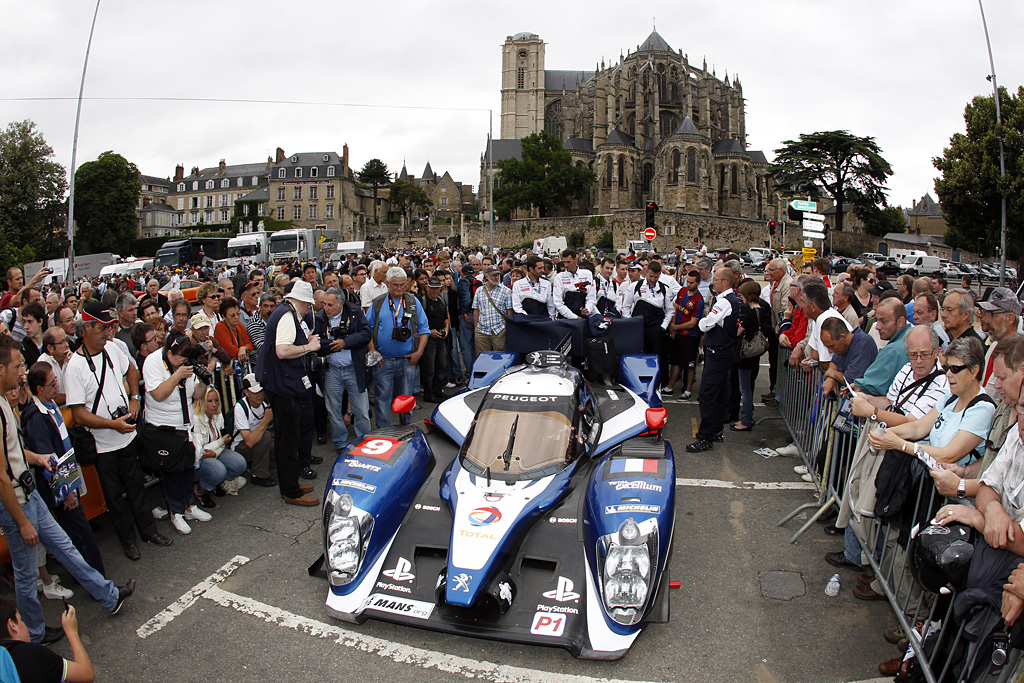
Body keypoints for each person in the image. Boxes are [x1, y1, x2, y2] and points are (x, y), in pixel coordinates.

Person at [0, 338, 135, 646]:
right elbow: (1, 477)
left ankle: (109, 596)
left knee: (67, 548)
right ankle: (33, 634)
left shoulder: (8, 404)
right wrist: (21, 520)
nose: (22, 372)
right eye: (17, 365)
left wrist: (35, 458)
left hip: (30, 495)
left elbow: (14, 452)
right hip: (17, 504)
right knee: (25, 573)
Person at [66, 302, 172, 561]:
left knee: (137, 486)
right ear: (87, 329)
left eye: (110, 327)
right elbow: (78, 414)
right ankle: (128, 541)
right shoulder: (75, 367)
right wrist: (112, 424)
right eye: (102, 328)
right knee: (114, 497)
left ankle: (148, 531)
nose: (108, 333)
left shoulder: (112, 349)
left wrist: (135, 397)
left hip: (127, 435)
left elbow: (132, 370)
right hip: (102, 444)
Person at [254, 281, 319, 507]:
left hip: (281, 385)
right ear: (302, 302)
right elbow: (283, 351)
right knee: (288, 440)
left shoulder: (284, 312)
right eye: (307, 305)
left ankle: (290, 484)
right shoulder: (287, 315)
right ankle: (291, 490)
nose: (307, 309)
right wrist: (309, 347)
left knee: (285, 439)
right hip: (285, 387)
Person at [142, 333, 212, 535]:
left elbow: (194, 394)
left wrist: (204, 383)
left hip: (185, 426)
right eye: (180, 359)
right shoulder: (153, 362)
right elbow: (158, 394)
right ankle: (176, 513)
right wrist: (177, 375)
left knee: (187, 468)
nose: (184, 362)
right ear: (169, 352)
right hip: (164, 428)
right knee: (172, 473)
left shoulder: (185, 364)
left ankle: (189, 506)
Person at [365, 268, 429, 428]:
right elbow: (366, 330)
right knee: (382, 399)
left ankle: (405, 429)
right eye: (395, 285)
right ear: (387, 283)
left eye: (402, 285)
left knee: (406, 399)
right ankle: (383, 431)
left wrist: (418, 353)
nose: (399, 288)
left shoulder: (413, 302)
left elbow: (424, 330)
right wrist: (374, 352)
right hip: (384, 361)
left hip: (408, 361)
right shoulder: (378, 303)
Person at [687, 267, 741, 453]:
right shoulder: (729, 300)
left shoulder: (724, 302)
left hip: (718, 353)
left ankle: (706, 436)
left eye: (716, 280)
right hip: (723, 352)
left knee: (708, 395)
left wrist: (706, 320)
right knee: (720, 393)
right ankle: (716, 430)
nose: (713, 283)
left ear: (725, 282)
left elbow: (705, 324)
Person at [315, 287, 371, 447]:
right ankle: (340, 442)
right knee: (333, 410)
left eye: (330, 305)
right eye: (324, 304)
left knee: (361, 410)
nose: (326, 308)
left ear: (341, 304)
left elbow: (366, 334)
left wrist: (346, 342)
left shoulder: (355, 313)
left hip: (354, 368)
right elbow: (315, 343)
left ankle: (365, 442)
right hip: (331, 370)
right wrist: (334, 344)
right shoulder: (319, 317)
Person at [0, 597, 95, 682]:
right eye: (21, 620)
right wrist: (72, 632)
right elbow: (86, 675)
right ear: (12, 625)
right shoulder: (31, 653)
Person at [191, 385, 247, 507]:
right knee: (218, 470)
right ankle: (201, 490)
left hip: (216, 452)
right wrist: (220, 443)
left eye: (216, 400)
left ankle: (216, 483)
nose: (214, 405)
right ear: (202, 402)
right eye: (209, 401)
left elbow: (225, 440)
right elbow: (200, 451)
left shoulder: (218, 415)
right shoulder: (195, 419)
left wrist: (216, 451)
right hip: (198, 459)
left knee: (240, 463)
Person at [620, 261, 674, 359]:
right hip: (637, 328)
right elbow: (625, 307)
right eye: (651, 276)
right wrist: (630, 323)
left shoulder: (664, 289)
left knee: (656, 358)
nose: (653, 279)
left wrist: (663, 326)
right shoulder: (635, 286)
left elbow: (670, 310)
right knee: (637, 357)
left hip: (656, 330)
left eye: (656, 277)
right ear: (646, 272)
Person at [666, 270, 704, 402]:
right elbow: (675, 308)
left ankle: (688, 391)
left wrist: (675, 327)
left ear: (698, 283)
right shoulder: (682, 292)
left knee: (689, 364)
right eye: (687, 281)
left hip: (690, 337)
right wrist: (673, 328)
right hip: (678, 335)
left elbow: (693, 323)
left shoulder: (699, 300)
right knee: (675, 361)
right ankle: (669, 387)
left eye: (692, 282)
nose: (689, 284)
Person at [231, 374, 276, 487]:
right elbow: (249, 442)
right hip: (241, 447)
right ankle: (259, 475)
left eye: (261, 391)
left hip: (257, 441)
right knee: (265, 436)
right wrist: (265, 420)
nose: (260, 395)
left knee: (277, 440)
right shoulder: (240, 408)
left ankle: (267, 465)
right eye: (256, 392)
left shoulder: (265, 403)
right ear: (246, 392)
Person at [819, 317, 878, 399]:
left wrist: (832, 373)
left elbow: (850, 380)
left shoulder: (863, 344)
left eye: (832, 347)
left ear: (843, 338)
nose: (830, 351)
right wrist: (830, 379)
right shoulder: (842, 346)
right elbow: (833, 363)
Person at [420, 277, 449, 403]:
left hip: (441, 337)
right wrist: (429, 332)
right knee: (429, 368)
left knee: (441, 365)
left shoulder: (441, 301)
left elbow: (445, 316)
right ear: (427, 288)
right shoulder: (423, 302)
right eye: (432, 288)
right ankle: (429, 393)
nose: (435, 290)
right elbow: (419, 322)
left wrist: (446, 327)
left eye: (437, 288)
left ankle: (438, 390)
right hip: (429, 338)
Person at [472, 266, 512, 354]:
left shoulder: (506, 291)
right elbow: (476, 310)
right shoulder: (479, 291)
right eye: (493, 275)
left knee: (500, 358)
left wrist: (505, 328)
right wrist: (476, 328)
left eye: (497, 275)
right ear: (486, 276)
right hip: (482, 331)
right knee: (482, 359)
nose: (496, 277)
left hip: (499, 331)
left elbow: (509, 312)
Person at [551, 249, 596, 319]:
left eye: (568, 262)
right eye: (564, 262)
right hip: (566, 318)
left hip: (584, 315)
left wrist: (587, 309)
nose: (566, 265)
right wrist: (574, 317)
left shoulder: (587, 274)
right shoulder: (559, 277)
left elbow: (591, 296)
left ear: (576, 260)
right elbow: (558, 302)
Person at [214, 297, 253, 366]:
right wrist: (243, 350)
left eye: (238, 314)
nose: (236, 317)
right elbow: (231, 351)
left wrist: (243, 348)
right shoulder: (220, 327)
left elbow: (249, 344)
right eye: (232, 316)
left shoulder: (239, 324)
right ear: (223, 316)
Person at [246, 292, 276, 360]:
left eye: (272, 306)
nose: (269, 309)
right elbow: (262, 347)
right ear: (260, 306)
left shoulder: (277, 319)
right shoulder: (254, 322)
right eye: (266, 306)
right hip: (260, 362)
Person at [18, 301, 46, 369]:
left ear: (40, 321)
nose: (25, 326)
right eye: (24, 321)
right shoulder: (22, 348)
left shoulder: (50, 342)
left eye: (30, 322)